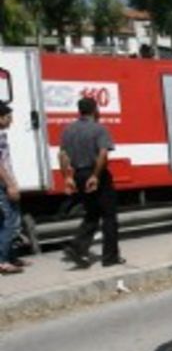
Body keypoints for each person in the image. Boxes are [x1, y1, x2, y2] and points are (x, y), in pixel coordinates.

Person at [59, 97, 124, 268]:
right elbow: (102, 154)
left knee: (92, 212)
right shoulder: (99, 129)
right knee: (109, 216)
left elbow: (63, 156)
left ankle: (77, 247)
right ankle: (110, 257)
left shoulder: (68, 130)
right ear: (95, 110)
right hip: (96, 174)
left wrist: (67, 177)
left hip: (78, 174)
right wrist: (95, 176)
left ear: (79, 111)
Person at [0, 101, 24, 274]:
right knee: (9, 221)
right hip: (2, 185)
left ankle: (10, 257)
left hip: (7, 183)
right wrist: (9, 184)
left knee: (13, 220)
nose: (11, 121)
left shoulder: (2, 135)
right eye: (9, 117)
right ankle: (3, 261)